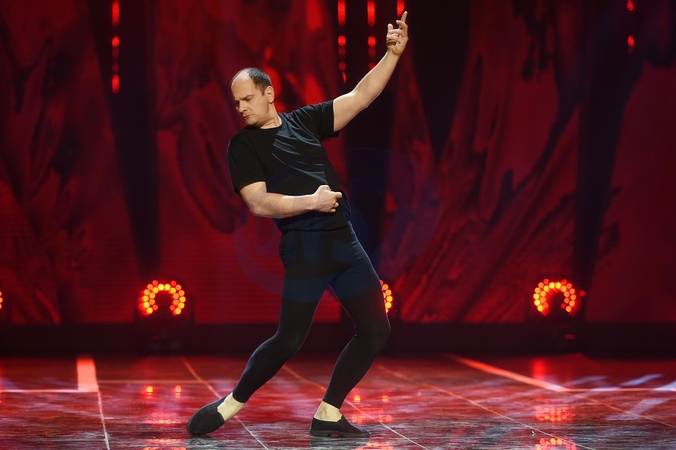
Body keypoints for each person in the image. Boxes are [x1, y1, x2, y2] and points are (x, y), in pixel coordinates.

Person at [187, 11, 409, 438]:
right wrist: (312, 201)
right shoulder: (242, 146)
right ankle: (231, 404)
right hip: (305, 249)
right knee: (289, 340)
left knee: (375, 328)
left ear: (268, 93)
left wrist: (392, 55)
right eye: (236, 102)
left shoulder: (304, 122)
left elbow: (360, 96)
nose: (240, 108)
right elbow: (259, 203)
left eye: (246, 99)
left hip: (344, 242)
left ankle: (328, 413)